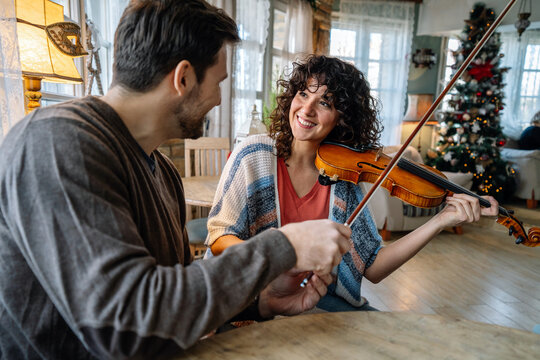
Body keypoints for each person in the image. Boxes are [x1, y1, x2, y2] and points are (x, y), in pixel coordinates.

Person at [0, 1, 352, 358]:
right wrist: (283, 246)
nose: (217, 99)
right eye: (218, 84)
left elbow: (175, 293)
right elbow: (125, 327)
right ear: (183, 78)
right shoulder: (57, 144)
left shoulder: (162, 171)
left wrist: (259, 300)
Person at [206, 54, 499, 312]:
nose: (307, 110)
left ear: (342, 118)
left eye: (324, 102)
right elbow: (219, 237)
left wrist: (440, 221)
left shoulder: (343, 178)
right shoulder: (254, 154)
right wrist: (281, 257)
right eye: (303, 94)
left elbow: (372, 266)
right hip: (253, 299)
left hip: (320, 302)